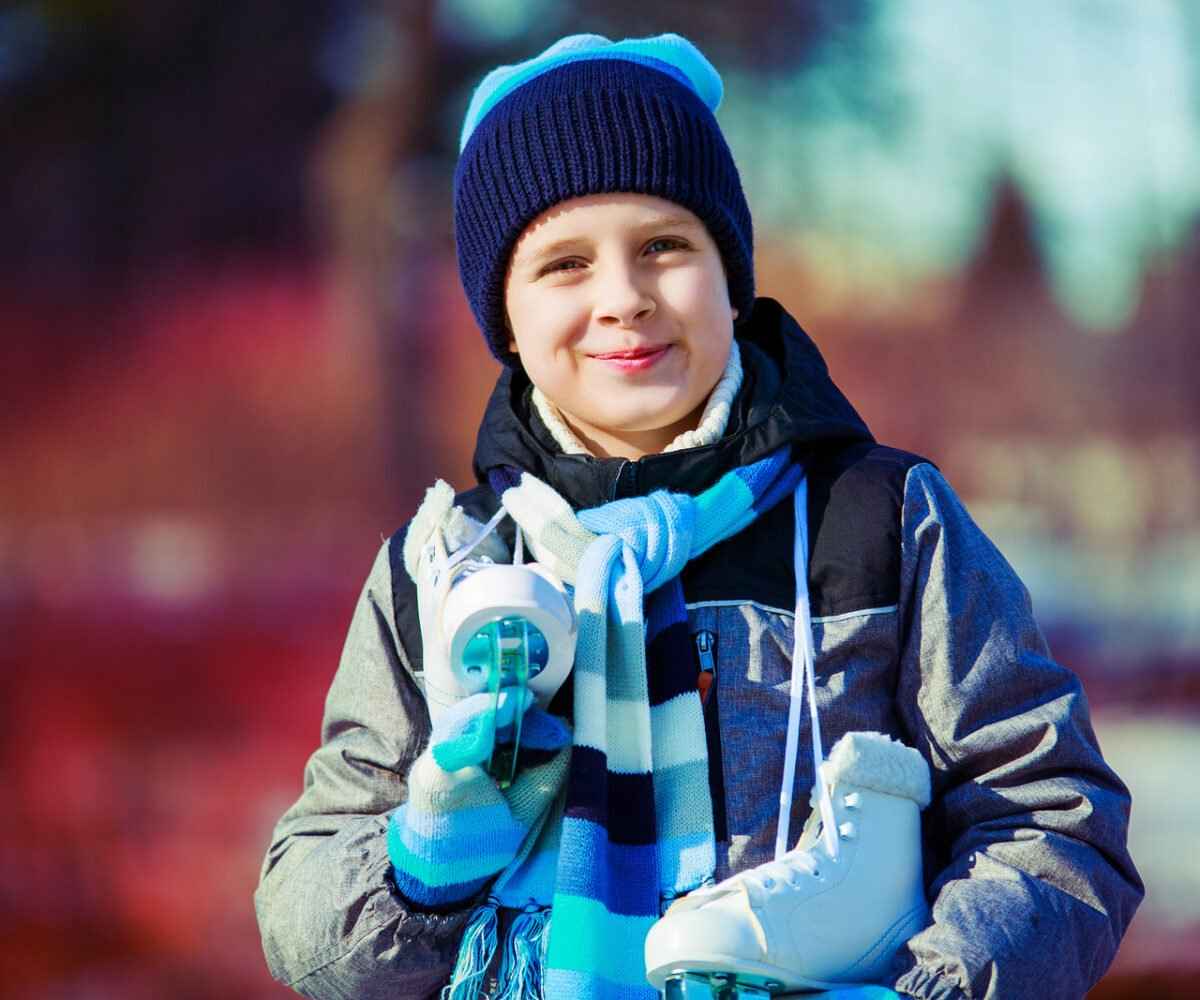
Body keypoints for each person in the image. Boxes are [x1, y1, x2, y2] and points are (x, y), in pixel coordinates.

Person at [254, 32, 1143, 1000]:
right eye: (563, 264)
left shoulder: (883, 521)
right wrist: (418, 868)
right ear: (504, 318)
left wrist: (931, 989)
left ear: (731, 273)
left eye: (664, 246)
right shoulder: (445, 567)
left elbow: (1051, 816)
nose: (623, 299)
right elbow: (311, 930)